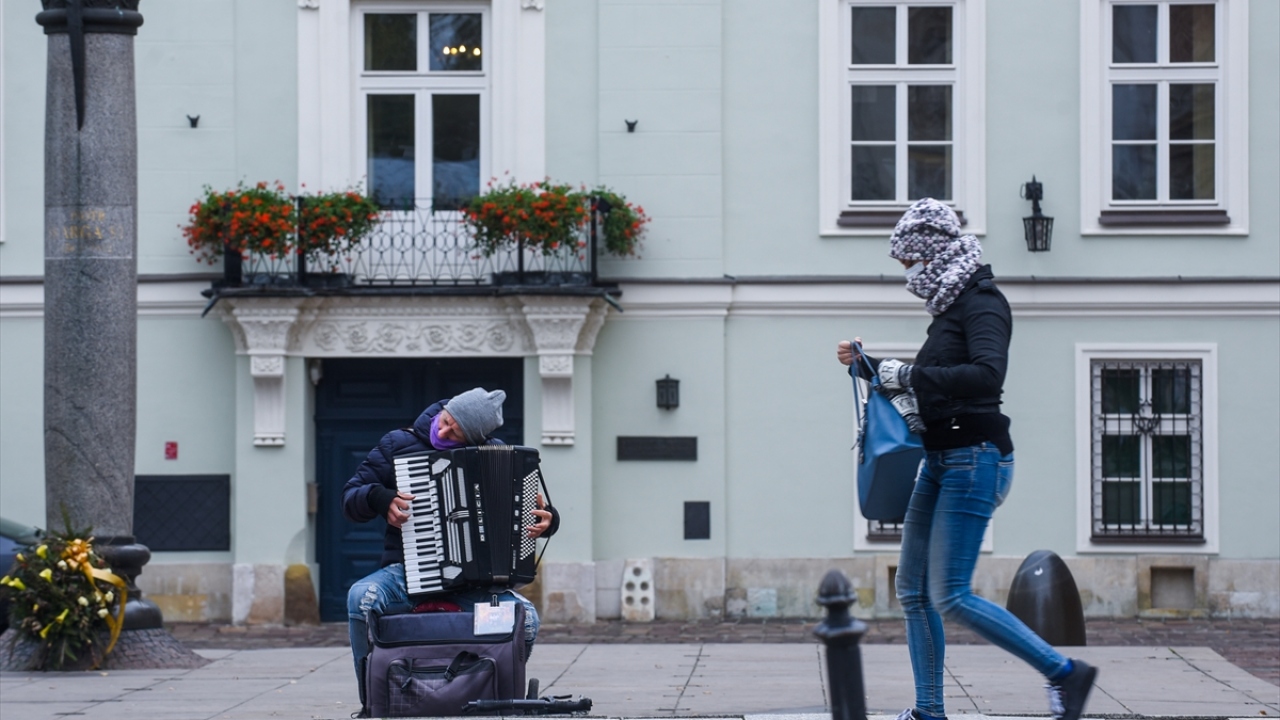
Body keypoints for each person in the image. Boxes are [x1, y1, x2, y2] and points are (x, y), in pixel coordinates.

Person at [836, 199, 1097, 720]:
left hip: (975, 459)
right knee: (914, 591)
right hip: (940, 460)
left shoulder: (982, 302)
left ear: (931, 252)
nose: (907, 272)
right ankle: (928, 711)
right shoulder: (949, 309)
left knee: (951, 594)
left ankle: (1066, 673)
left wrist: (905, 372)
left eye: (909, 261)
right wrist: (870, 367)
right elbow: (932, 383)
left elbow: (987, 375)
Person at [341, 387, 559, 708]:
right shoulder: (397, 443)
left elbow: (529, 515)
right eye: (445, 421)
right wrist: (379, 498)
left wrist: (548, 521)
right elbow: (350, 498)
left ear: (474, 440)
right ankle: (372, 702)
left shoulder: (498, 455)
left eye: (454, 433)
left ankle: (500, 698)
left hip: (472, 585)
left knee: (526, 619)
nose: (442, 432)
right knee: (361, 598)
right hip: (406, 575)